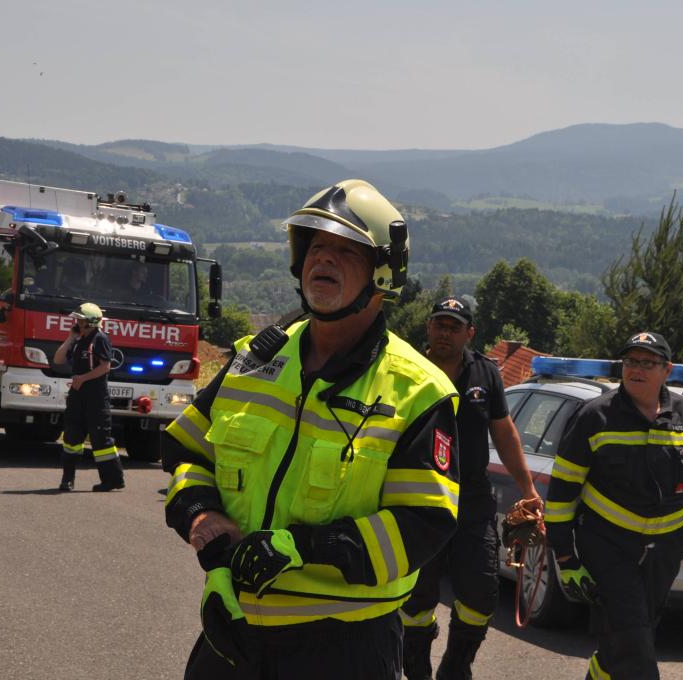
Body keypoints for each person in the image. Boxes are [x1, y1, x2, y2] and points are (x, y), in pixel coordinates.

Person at [161, 180, 461, 680]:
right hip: (231, 630)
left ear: (383, 272)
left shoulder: (417, 391)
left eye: (346, 249)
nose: (323, 258)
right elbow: (184, 451)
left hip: (344, 647)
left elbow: (423, 525)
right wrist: (199, 515)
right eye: (315, 245)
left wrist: (305, 548)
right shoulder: (253, 360)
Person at [545, 332, 683, 680]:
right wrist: (565, 558)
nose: (636, 369)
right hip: (608, 549)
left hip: (664, 552)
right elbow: (561, 493)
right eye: (630, 361)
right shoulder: (595, 416)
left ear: (667, 370)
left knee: (624, 644)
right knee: (635, 649)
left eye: (647, 363)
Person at [400, 296, 543, 680]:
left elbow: (505, 433)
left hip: (472, 503)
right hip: (418, 500)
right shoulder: (407, 369)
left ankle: (455, 666)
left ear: (470, 333)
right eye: (439, 324)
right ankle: (416, 668)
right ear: (428, 327)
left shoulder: (486, 373)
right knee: (414, 599)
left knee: (481, 594)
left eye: (454, 327)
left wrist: (528, 489)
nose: (445, 333)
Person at [52, 302, 125, 492]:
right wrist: (70, 338)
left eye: (80, 319)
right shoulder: (78, 340)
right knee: (72, 436)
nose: (77, 322)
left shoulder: (100, 339)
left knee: (101, 439)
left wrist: (82, 378)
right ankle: (67, 480)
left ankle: (113, 479)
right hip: (77, 397)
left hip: (96, 397)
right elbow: (58, 359)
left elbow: (105, 366)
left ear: (90, 322)